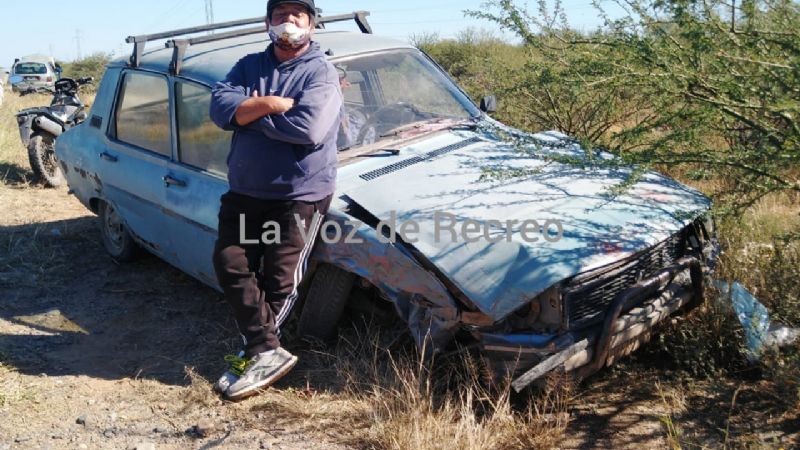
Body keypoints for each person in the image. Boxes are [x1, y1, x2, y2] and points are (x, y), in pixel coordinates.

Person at [209, 0, 343, 400]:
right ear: (267, 22)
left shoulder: (321, 70)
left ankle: (255, 350)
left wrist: (247, 115)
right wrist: (271, 104)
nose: (288, 22)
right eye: (280, 15)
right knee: (230, 263)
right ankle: (264, 349)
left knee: (279, 279)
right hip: (246, 190)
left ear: (311, 25)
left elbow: (308, 128)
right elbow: (218, 109)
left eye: (297, 16)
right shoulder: (248, 64)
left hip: (298, 195)